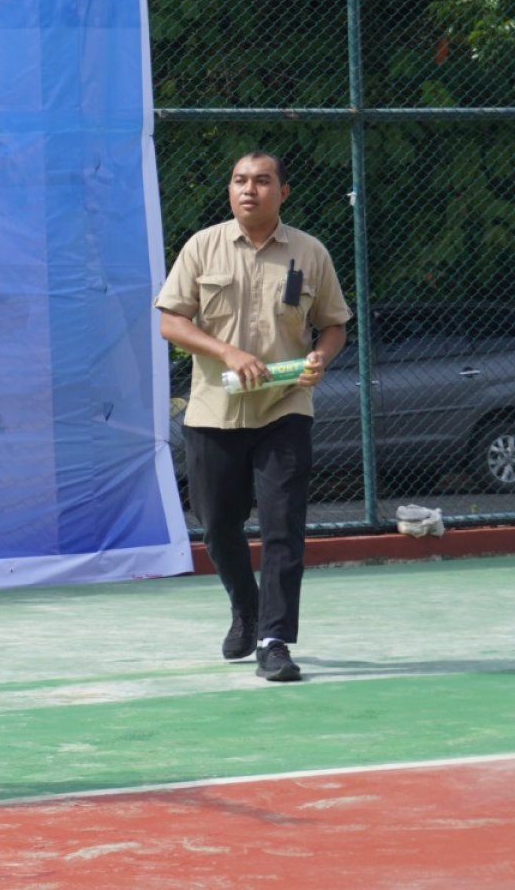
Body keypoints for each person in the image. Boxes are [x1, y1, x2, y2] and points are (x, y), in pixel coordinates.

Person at [156, 151, 351, 683]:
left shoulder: (310, 252)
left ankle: (273, 641)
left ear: (282, 192)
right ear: (229, 189)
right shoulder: (202, 246)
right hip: (212, 411)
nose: (249, 190)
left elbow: (334, 324)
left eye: (262, 181)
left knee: (283, 525)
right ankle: (246, 606)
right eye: (240, 180)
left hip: (284, 409)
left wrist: (321, 357)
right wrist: (228, 353)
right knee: (218, 526)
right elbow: (171, 322)